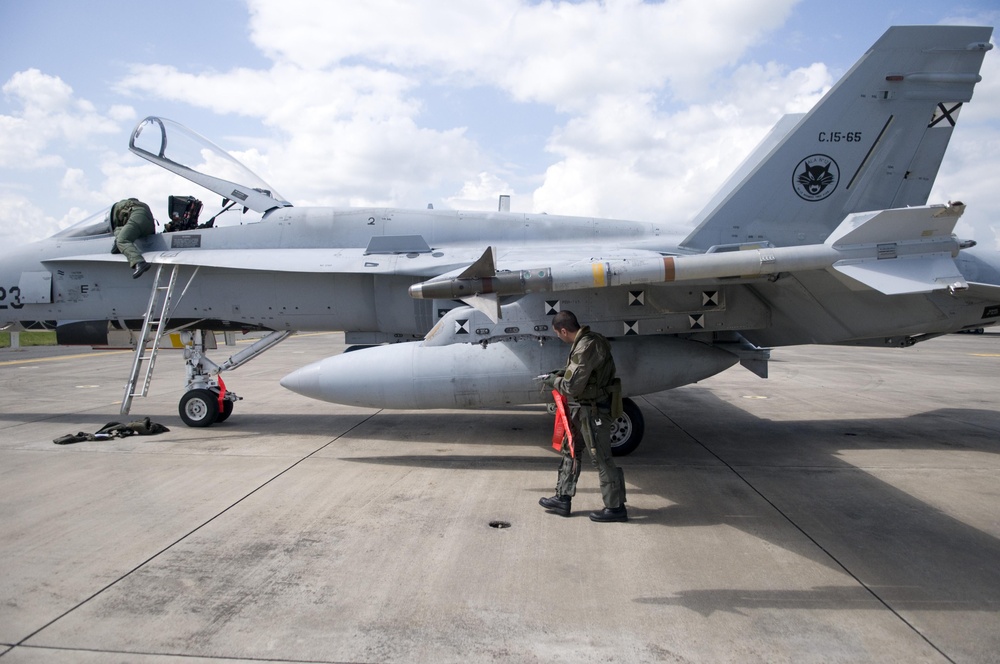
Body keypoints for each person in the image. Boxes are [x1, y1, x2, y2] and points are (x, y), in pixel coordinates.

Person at [540, 310, 628, 522]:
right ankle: (563, 497)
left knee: (601, 458)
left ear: (563, 330)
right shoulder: (590, 341)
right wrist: (561, 372)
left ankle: (615, 508)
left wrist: (553, 381)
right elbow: (583, 373)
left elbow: (571, 386)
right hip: (585, 408)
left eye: (558, 334)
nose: (559, 338)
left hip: (595, 410)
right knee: (570, 449)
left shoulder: (585, 346)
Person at [108, 198, 155, 278]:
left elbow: (117, 226)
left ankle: (139, 262)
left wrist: (118, 242)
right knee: (120, 233)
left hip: (138, 217)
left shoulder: (117, 209)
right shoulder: (136, 205)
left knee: (122, 240)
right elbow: (121, 228)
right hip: (149, 224)